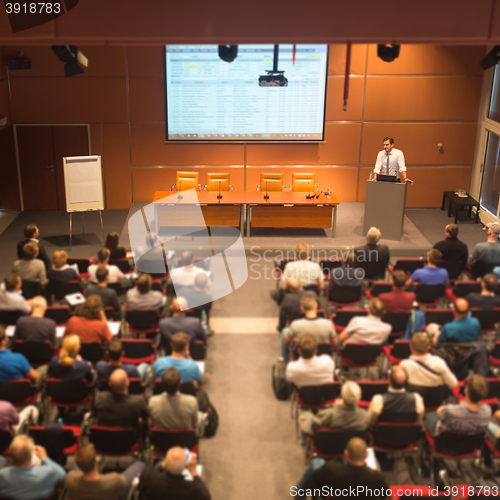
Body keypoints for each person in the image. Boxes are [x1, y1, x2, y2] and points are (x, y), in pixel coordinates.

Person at [295, 437, 389, 500]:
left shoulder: (330, 469)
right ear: (366, 455)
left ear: (346, 453)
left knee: (317, 461)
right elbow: (385, 496)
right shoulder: (377, 478)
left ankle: (298, 495)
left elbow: (315, 483)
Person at [65, 443, 144, 500]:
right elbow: (123, 482)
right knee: (140, 464)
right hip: (115, 489)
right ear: (96, 460)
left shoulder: (70, 478)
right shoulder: (115, 480)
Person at [0, 435, 66, 500]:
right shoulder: (50, 472)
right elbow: (63, 475)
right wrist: (45, 458)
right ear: (31, 454)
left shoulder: (2, 475)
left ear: (11, 454)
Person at [298, 381, 369, 437]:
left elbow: (313, 427)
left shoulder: (328, 414)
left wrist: (302, 420)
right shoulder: (364, 416)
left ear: (341, 395)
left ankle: (306, 449)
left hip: (328, 447)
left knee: (305, 414)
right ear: (359, 397)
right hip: (351, 450)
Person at [138, 446, 211, 500]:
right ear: (186, 466)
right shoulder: (195, 489)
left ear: (165, 463)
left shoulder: (150, 479)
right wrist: (194, 472)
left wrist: (161, 467)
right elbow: (206, 497)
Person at [281, 294, 335, 361]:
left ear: (302, 309)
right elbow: (335, 343)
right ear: (316, 306)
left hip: (301, 357)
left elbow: (286, 340)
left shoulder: (295, 324)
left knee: (284, 331)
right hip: (323, 357)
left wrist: (297, 339)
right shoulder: (328, 324)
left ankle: (283, 359)